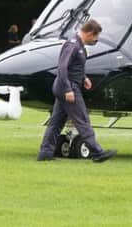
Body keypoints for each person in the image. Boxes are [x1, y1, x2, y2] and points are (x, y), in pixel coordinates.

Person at [37, 19, 117, 163]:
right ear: (90, 33)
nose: (95, 40)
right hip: (68, 87)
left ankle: (45, 154)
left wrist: (84, 78)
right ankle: (97, 153)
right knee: (82, 120)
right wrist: (68, 89)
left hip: (66, 85)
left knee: (56, 123)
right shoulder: (73, 45)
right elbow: (62, 67)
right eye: (95, 37)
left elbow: (74, 66)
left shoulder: (78, 44)